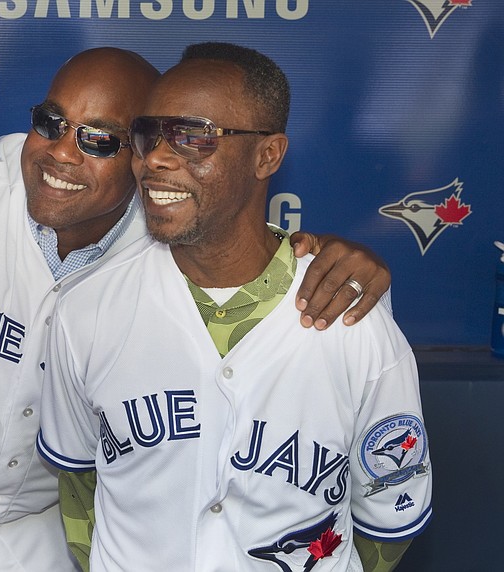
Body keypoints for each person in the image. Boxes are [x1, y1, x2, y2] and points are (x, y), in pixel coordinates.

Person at [0, 24, 391, 572]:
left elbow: (253, 253)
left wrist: (345, 264)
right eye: (51, 123)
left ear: (143, 152)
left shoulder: (171, 234)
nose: (60, 153)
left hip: (42, 542)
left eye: (99, 140)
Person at [37, 42, 432, 572]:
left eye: (193, 136)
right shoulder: (85, 309)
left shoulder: (351, 319)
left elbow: (388, 522)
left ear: (267, 155)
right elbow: (79, 484)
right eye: (147, 134)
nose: (154, 157)